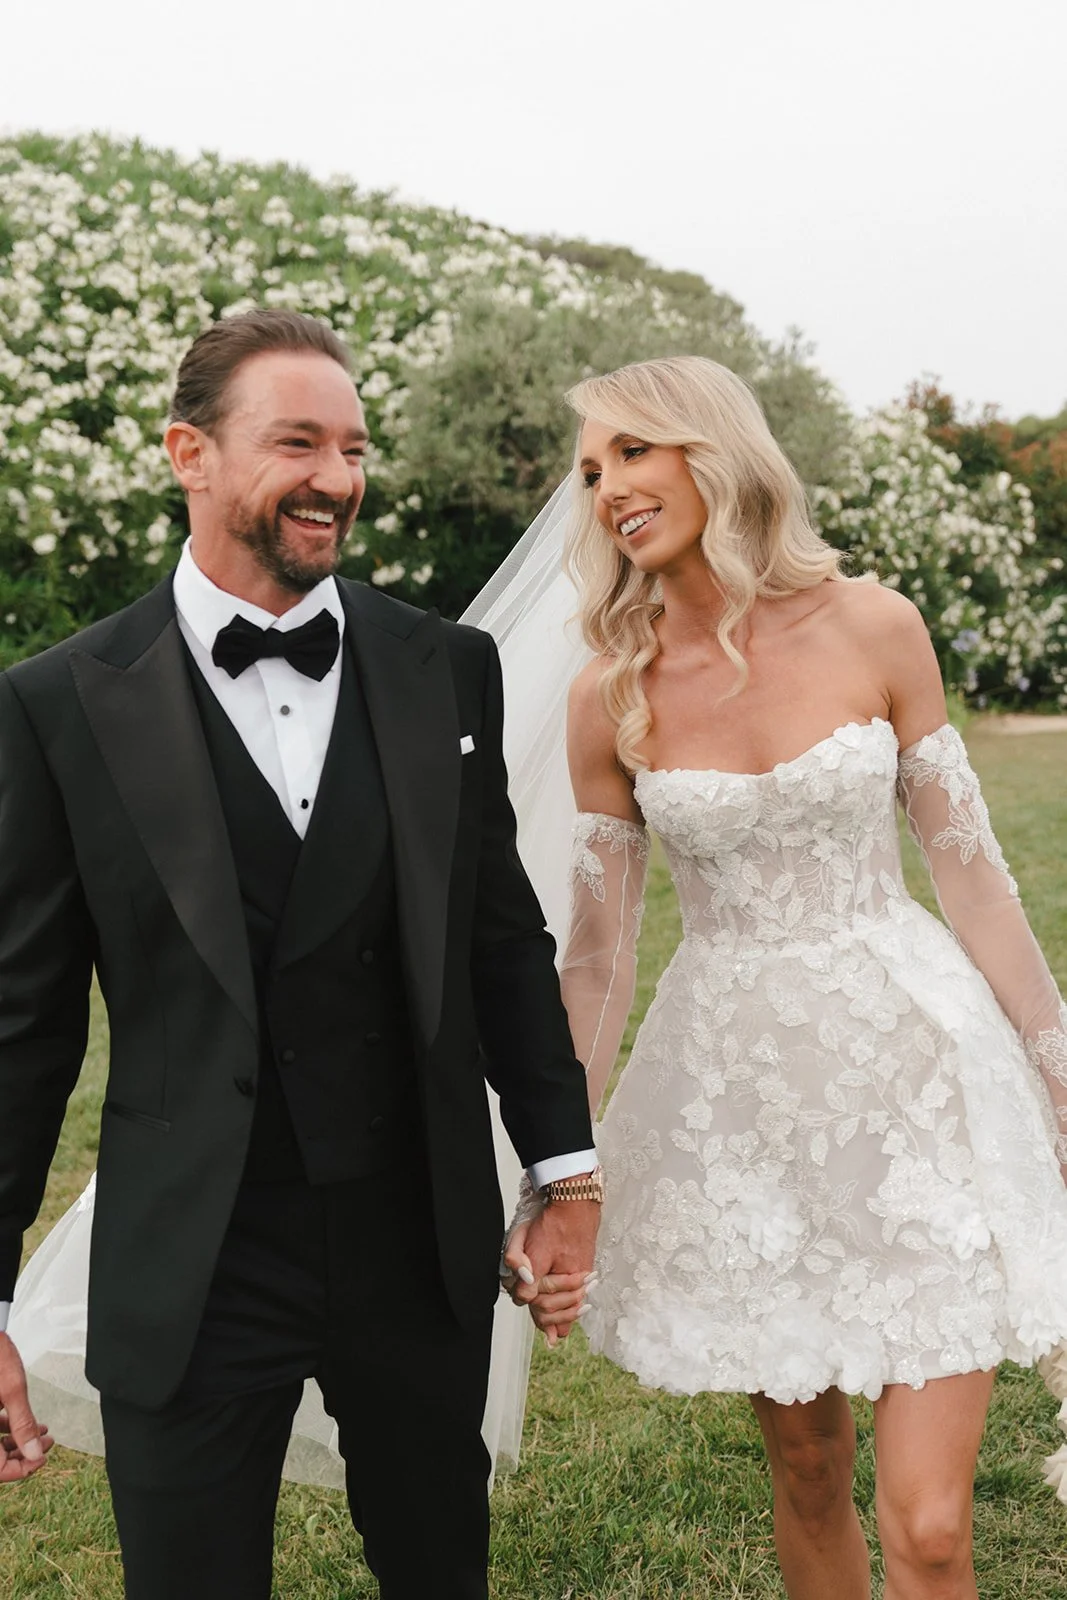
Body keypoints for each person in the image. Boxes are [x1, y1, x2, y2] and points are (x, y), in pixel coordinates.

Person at [0, 308, 602, 1599]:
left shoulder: (445, 668)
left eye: (354, 444)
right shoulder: (58, 705)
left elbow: (500, 938)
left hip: (414, 1236)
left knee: (440, 1570)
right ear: (189, 454)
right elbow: (25, 1029)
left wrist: (564, 1168)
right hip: (195, 1259)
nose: (338, 476)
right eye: (297, 442)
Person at [502, 355, 1067, 1600]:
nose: (607, 491)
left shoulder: (874, 624)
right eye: (590, 471)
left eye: (632, 453)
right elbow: (595, 961)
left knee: (926, 1522)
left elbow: (969, 874)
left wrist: (1055, 1065)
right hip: (741, 1107)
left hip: (919, 1085)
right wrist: (558, 1163)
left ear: (712, 448)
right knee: (806, 1476)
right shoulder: (610, 694)